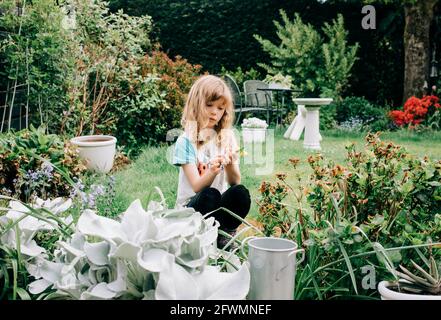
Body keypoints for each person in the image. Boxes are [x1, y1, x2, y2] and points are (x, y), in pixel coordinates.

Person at [172, 75, 251, 247]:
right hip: (192, 208)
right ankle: (201, 238)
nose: (215, 112)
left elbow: (234, 181)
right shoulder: (186, 141)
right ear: (196, 104)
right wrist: (212, 171)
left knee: (240, 193)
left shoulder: (227, 137)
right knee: (210, 194)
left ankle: (225, 234)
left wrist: (230, 164)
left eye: (221, 108)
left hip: (217, 206)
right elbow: (196, 186)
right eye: (209, 105)